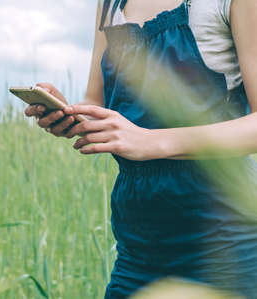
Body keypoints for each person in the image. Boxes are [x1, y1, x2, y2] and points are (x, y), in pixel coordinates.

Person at [24, 0, 257, 298]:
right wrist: (69, 115)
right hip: (138, 245)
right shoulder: (110, 4)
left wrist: (150, 141)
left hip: (226, 244)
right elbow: (95, 101)